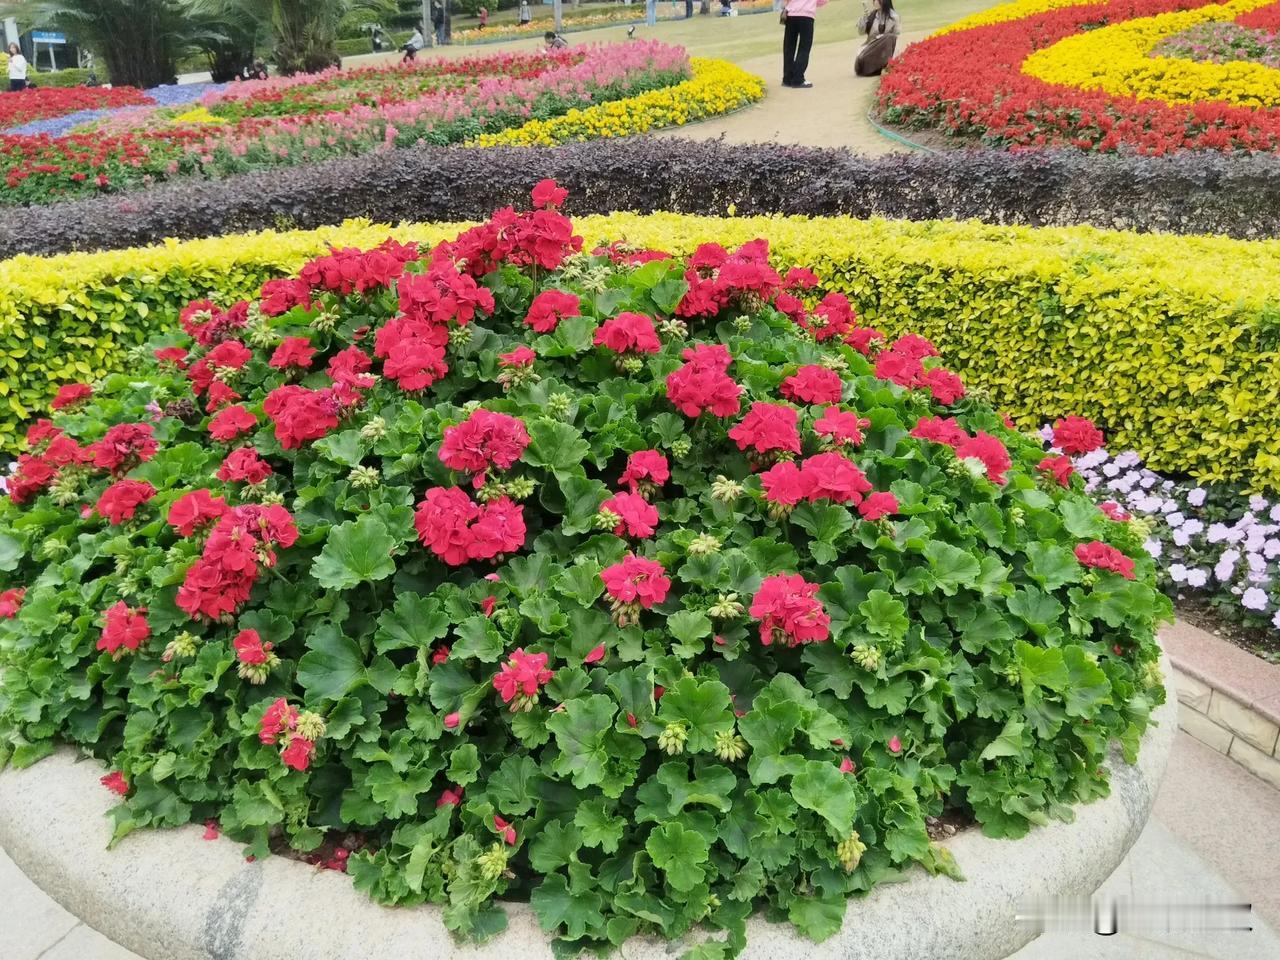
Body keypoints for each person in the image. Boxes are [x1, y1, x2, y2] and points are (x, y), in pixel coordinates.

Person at [780, 0, 827, 89]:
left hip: (791, 15)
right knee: (804, 48)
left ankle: (787, 78)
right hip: (807, 15)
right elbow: (822, 1)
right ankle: (798, 79)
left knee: (789, 47)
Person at [855, 0, 900, 76]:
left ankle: (887, 65)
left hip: (887, 49)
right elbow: (861, 32)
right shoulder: (871, 16)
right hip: (871, 47)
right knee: (861, 60)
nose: (875, 2)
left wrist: (882, 38)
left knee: (889, 37)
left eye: (877, 0)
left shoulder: (893, 17)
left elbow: (896, 34)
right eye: (874, 0)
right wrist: (863, 22)